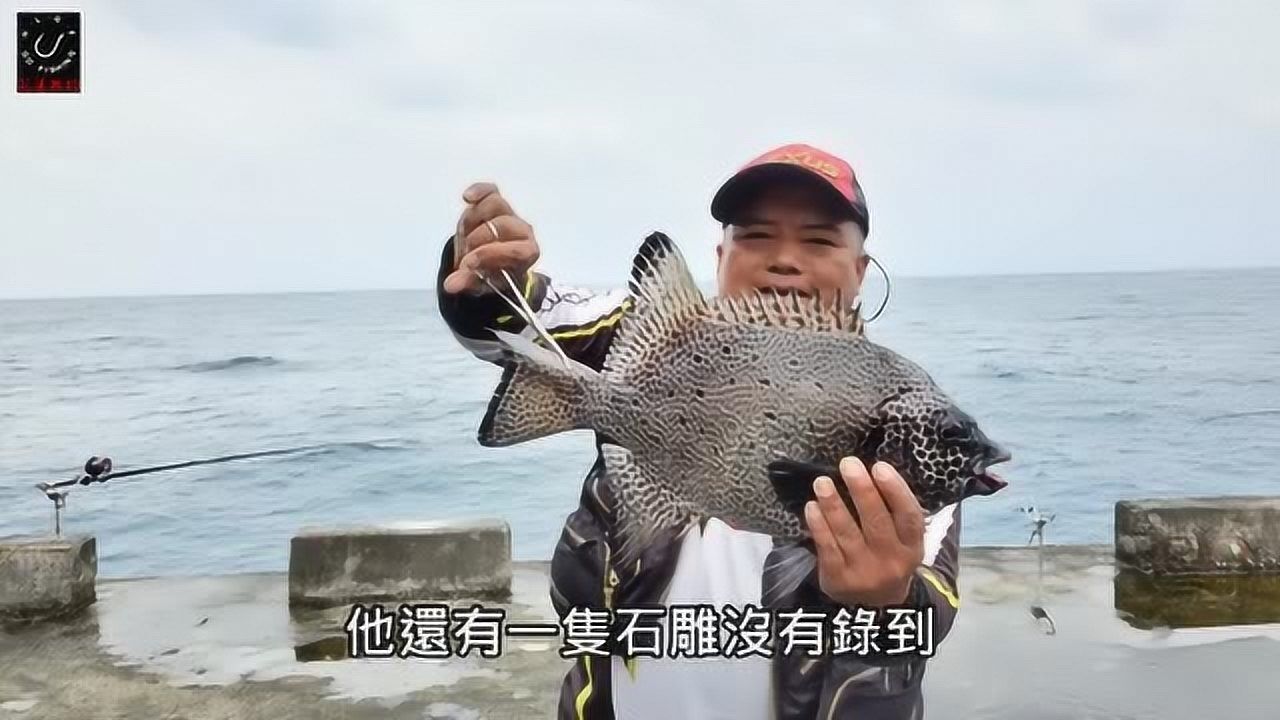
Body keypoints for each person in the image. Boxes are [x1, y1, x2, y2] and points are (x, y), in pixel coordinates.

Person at [436, 143, 964, 719]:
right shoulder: (658, 342)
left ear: (860, 270)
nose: (785, 259)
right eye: (756, 236)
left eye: (819, 240)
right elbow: (516, 324)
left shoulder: (900, 421)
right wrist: (490, 277)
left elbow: (925, 619)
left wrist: (886, 601)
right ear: (720, 257)